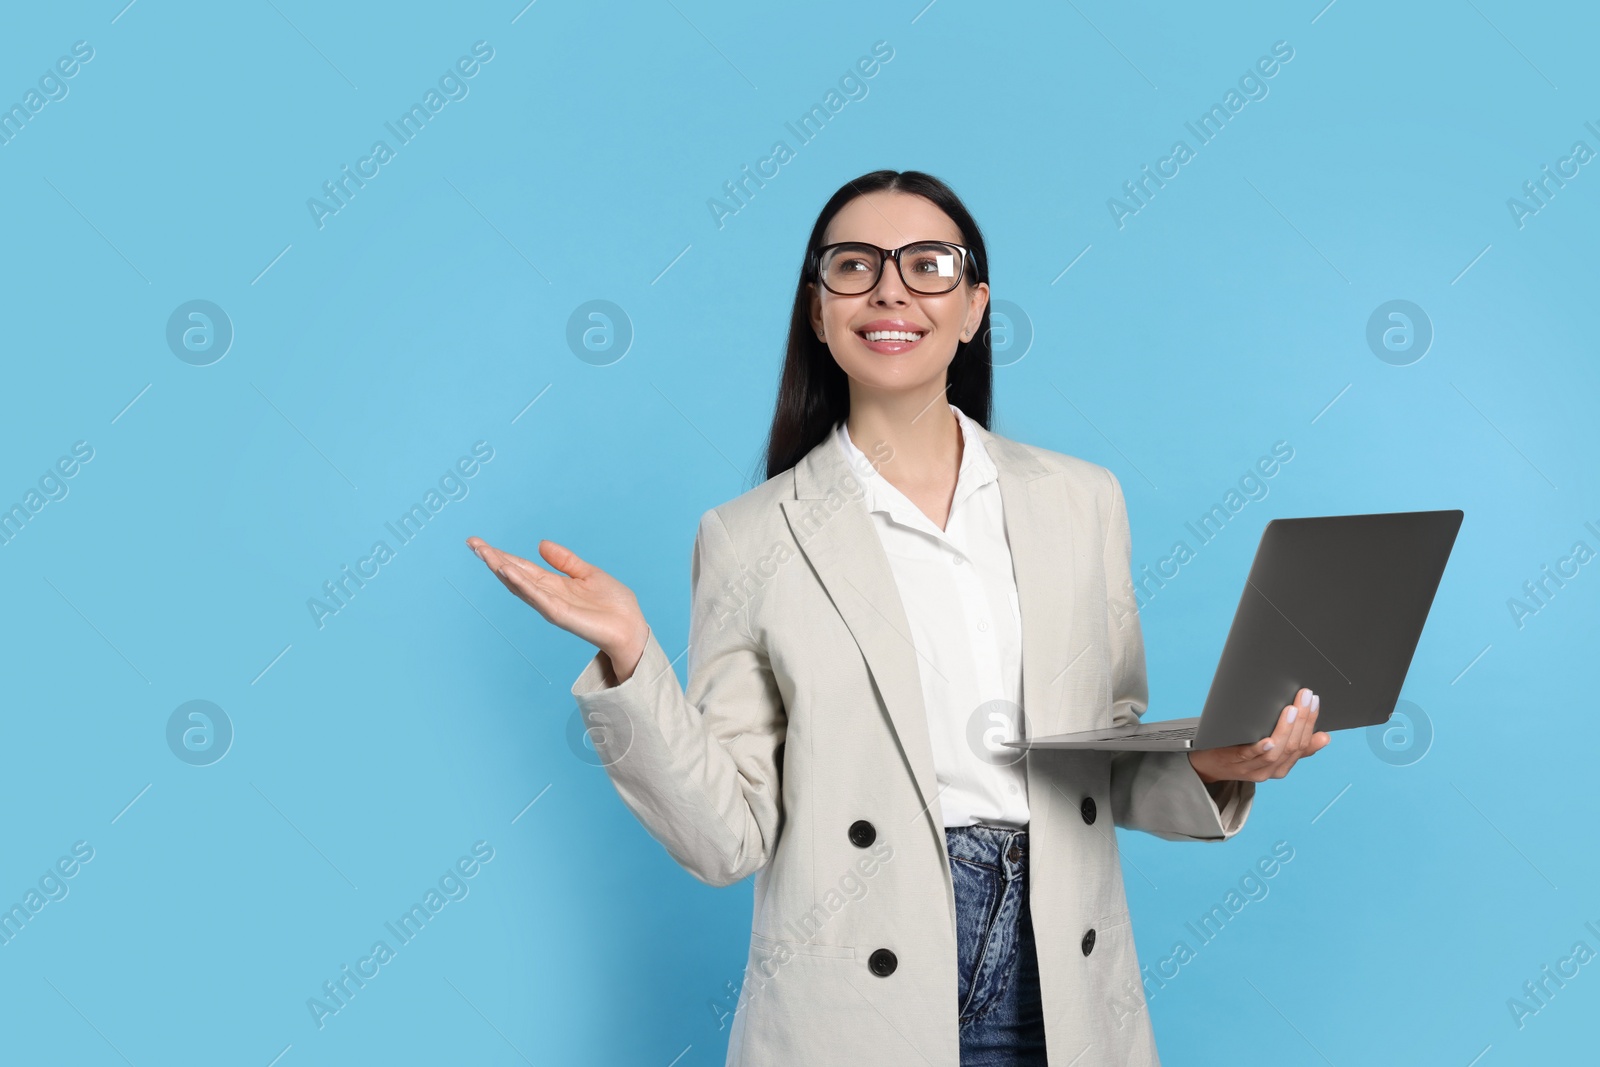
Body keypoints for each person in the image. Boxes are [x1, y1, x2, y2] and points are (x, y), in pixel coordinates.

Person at [466, 170, 1331, 1066]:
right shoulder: (749, 535)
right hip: (852, 993)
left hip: (1062, 975)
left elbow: (1101, 755)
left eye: (928, 265)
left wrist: (1214, 763)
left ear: (973, 307)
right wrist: (631, 659)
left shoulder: (1081, 500)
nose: (890, 288)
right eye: (854, 264)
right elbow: (727, 837)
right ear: (817, 310)